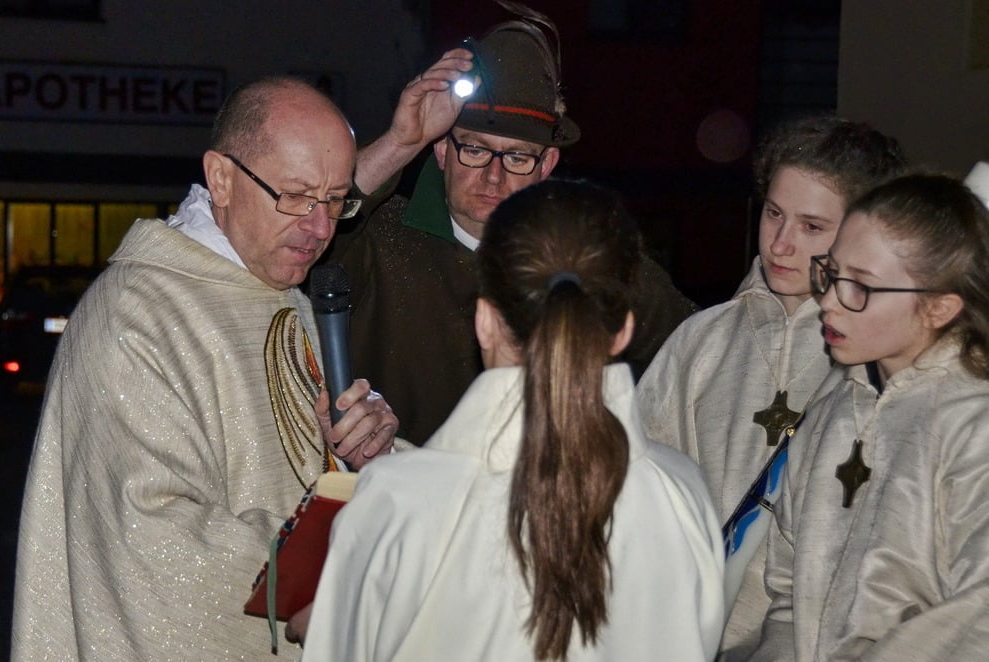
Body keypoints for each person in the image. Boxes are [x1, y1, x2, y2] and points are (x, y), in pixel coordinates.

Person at [11, 77, 399, 661]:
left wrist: (367, 458)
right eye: (296, 196)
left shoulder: (287, 297)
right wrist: (336, 572)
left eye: (335, 201)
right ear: (221, 178)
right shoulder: (136, 313)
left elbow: (302, 475)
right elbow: (149, 536)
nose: (321, 228)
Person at [294, 179, 725, 661]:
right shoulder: (682, 493)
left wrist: (329, 621)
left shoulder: (398, 501)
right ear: (623, 329)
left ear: (484, 320)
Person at [322, 3, 698, 444]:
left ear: (547, 165)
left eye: (517, 157)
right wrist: (402, 142)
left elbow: (700, 353)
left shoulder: (589, 258)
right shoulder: (374, 237)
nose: (493, 176)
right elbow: (317, 219)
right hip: (395, 483)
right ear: (441, 151)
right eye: (475, 150)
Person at [635, 114, 905, 658]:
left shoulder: (882, 360)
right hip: (685, 636)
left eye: (812, 227)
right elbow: (640, 492)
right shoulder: (701, 341)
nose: (781, 244)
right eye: (774, 214)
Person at [751, 173, 989, 660]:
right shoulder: (828, 416)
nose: (828, 300)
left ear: (939, 307)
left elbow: (975, 618)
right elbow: (787, 595)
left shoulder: (974, 428)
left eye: (860, 286)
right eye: (831, 272)